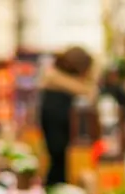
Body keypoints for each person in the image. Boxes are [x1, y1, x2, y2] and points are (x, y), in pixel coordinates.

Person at [39, 46, 96, 186]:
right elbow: (59, 145)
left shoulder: (55, 87)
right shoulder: (64, 93)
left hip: (60, 168)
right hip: (62, 173)